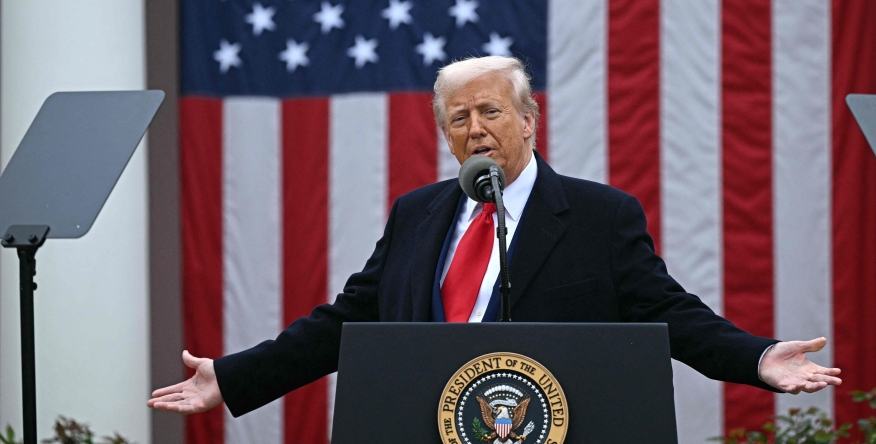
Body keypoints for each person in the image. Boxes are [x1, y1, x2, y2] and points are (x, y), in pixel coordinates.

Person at [149, 56, 841, 416]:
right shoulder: (417, 213)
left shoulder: (599, 216)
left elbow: (669, 313)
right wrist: (232, 377)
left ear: (529, 120)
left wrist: (756, 357)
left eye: (490, 111)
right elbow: (345, 322)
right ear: (446, 136)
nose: (475, 129)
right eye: (458, 119)